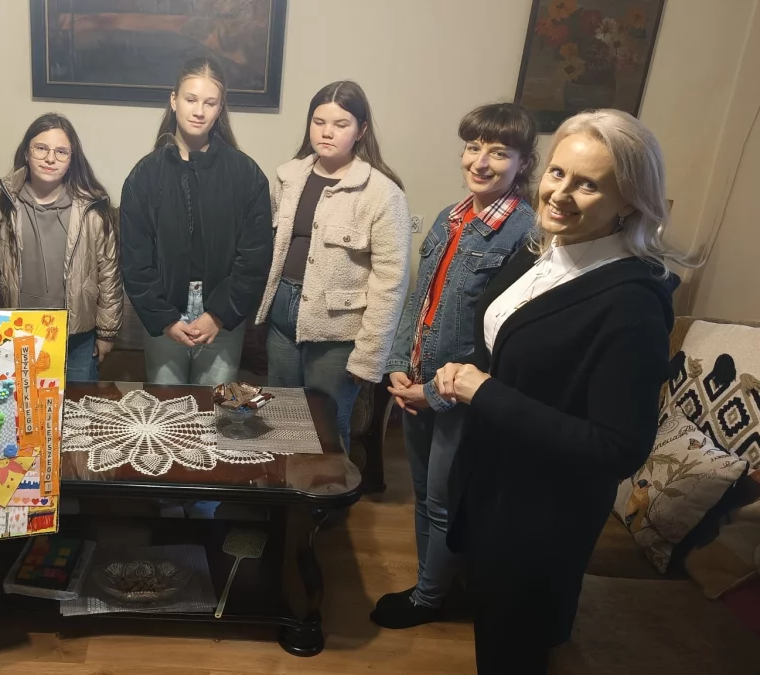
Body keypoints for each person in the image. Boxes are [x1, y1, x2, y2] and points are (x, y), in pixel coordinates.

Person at [433, 109, 681, 673]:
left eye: (588, 184)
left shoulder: (632, 304)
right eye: (557, 173)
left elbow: (618, 447)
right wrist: (468, 375)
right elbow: (515, 350)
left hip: (541, 516)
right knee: (493, 628)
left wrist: (484, 392)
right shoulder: (543, 252)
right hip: (493, 487)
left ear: (628, 202)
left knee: (514, 647)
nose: (560, 194)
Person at [371, 103, 539, 629]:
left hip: (461, 396)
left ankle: (428, 599)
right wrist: (398, 363)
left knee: (445, 501)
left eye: (499, 153)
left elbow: (500, 340)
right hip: (417, 382)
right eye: (473, 147)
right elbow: (420, 296)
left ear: (523, 163)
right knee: (424, 495)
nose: (481, 162)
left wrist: (435, 394)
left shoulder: (527, 235)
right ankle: (433, 584)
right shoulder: (451, 216)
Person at [254, 81, 411, 452]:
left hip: (337, 330)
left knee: (326, 426)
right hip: (282, 320)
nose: (327, 132)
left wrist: (370, 355)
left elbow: (390, 281)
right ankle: (284, 486)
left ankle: (326, 491)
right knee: (279, 417)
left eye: (341, 124)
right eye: (319, 121)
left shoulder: (382, 193)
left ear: (361, 130)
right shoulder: (288, 177)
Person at [121, 56, 272, 384]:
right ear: (174, 100)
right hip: (165, 315)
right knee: (167, 408)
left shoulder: (246, 175)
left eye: (209, 102)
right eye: (191, 99)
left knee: (215, 408)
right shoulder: (144, 176)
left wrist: (218, 314)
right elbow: (135, 260)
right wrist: (164, 318)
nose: (199, 111)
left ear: (220, 108)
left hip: (222, 316)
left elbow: (255, 258)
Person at [0, 113, 121, 381]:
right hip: (17, 331)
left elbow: (109, 276)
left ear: (72, 160)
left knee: (78, 401)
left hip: (77, 335)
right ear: (26, 153)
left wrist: (107, 333)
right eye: (41, 148)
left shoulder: (93, 212)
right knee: (20, 403)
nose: (50, 158)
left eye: (61, 152)